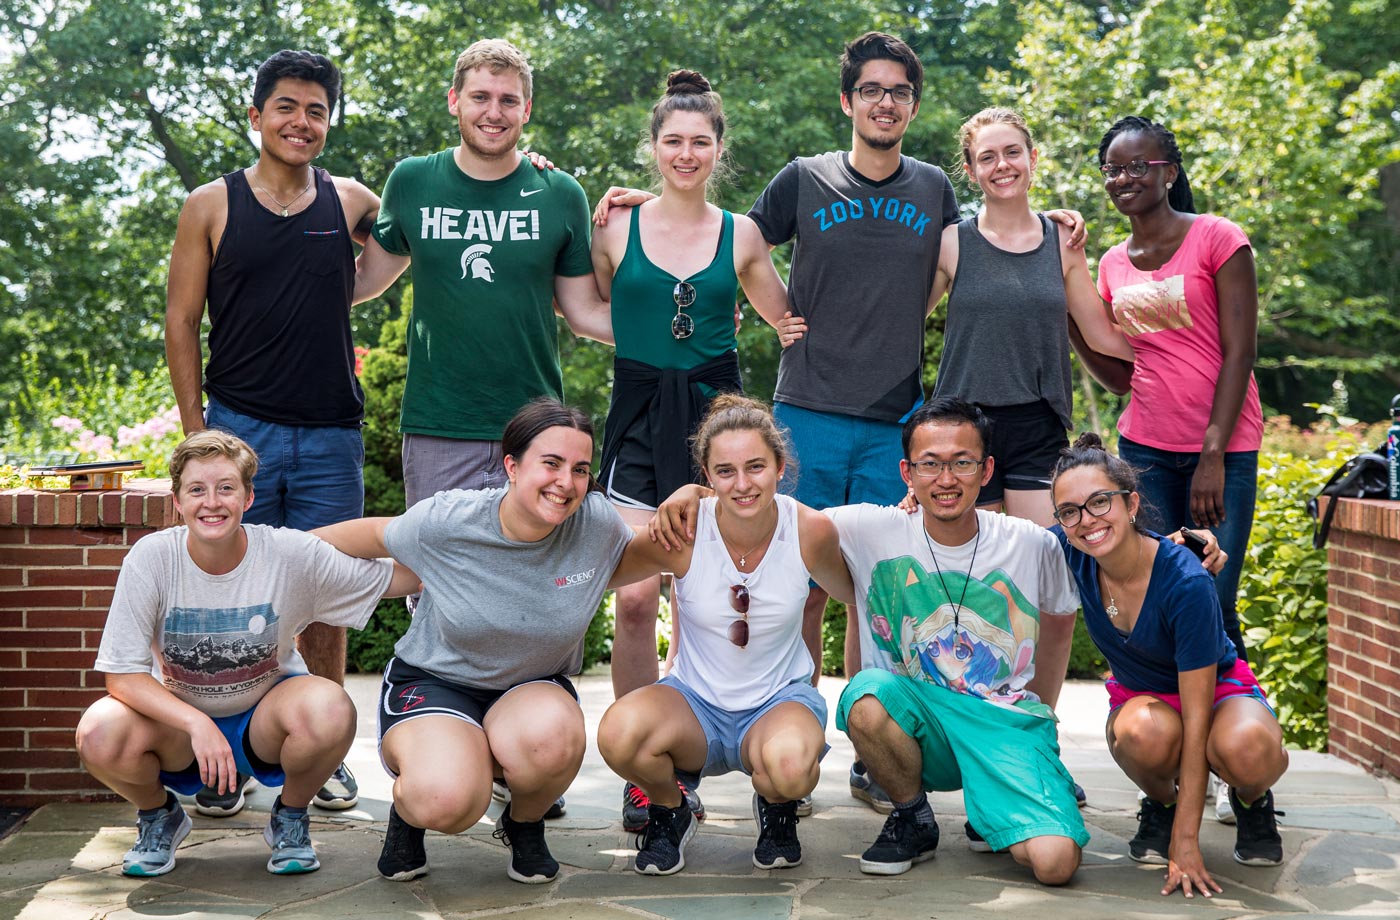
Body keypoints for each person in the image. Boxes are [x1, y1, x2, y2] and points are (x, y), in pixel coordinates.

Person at [597, 34, 1085, 814]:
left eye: (898, 91)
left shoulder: (932, 190)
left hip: (895, 414)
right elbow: (719, 236)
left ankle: (870, 753)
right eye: (870, 90)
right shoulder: (803, 180)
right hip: (806, 412)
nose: (884, 102)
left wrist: (1055, 227)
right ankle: (756, 737)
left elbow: (990, 245)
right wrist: (635, 205)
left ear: (913, 106)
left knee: (872, 595)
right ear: (848, 100)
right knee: (803, 590)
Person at [313, 398, 711, 884]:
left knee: (554, 739)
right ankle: (412, 811)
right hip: (438, 682)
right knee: (447, 797)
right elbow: (370, 535)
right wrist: (270, 547)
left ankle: (523, 823)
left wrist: (694, 493)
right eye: (551, 463)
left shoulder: (595, 525)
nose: (566, 482)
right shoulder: (450, 519)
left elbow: (665, 539)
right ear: (512, 466)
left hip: (531, 688)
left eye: (580, 469)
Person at [164, 49, 380, 815]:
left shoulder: (351, 200)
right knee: (221, 598)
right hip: (239, 428)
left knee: (323, 598)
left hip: (329, 435)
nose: (302, 122)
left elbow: (434, 224)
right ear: (257, 117)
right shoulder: (210, 205)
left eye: (317, 110)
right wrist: (201, 441)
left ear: (329, 123)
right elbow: (182, 323)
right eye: (287, 107)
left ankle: (322, 755)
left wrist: (522, 164)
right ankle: (218, 755)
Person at [591, 69, 796, 831]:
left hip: (718, 419)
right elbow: (580, 301)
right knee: (638, 596)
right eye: (672, 141)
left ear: (718, 149)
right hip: (639, 412)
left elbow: (785, 318)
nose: (685, 153)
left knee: (704, 594)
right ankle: (641, 766)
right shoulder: (612, 226)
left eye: (699, 141)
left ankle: (718, 749)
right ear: (653, 149)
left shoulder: (742, 233)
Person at [74, 430, 418, 878]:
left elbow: (395, 577)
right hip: (178, 727)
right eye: (196, 490)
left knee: (331, 709)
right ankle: (159, 816)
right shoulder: (152, 559)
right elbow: (121, 676)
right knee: (98, 733)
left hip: (266, 720)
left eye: (226, 488)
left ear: (249, 497)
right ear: (177, 502)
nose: (211, 502)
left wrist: (467, 553)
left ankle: (290, 816)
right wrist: (195, 723)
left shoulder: (286, 553)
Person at [824, 398, 1086, 884]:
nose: (946, 480)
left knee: (1054, 864)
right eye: (930, 464)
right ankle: (911, 815)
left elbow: (1063, 619)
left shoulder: (1030, 542)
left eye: (962, 463)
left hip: (1002, 724)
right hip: (923, 724)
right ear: (907, 471)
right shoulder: (869, 528)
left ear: (987, 469)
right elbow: (776, 516)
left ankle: (992, 805)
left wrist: (1038, 716)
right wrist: (695, 493)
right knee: (866, 696)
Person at [598, 395, 851, 874]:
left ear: (779, 467)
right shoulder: (683, 531)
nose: (743, 484)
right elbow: (601, 572)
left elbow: (857, 590)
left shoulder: (810, 531)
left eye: (756, 467)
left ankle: (776, 808)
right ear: (707, 476)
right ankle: (671, 809)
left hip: (777, 702)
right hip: (694, 705)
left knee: (793, 770)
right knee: (618, 734)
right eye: (726, 471)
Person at [1049, 434, 1287, 897]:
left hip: (1215, 692)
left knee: (1246, 749)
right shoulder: (1070, 548)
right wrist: (918, 502)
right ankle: (1160, 801)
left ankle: (1251, 799)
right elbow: (993, 536)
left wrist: (1187, 840)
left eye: (1100, 502)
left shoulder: (1186, 579)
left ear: (1132, 502)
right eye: (1070, 511)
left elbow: (1197, 720)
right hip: (1144, 698)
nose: (1087, 521)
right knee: (1141, 733)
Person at [927, 107, 1135, 527]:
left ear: (1032, 158)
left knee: (1040, 560)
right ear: (970, 170)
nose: (1002, 165)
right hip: (961, 426)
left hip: (1037, 424)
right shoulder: (950, 242)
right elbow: (898, 322)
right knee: (971, 570)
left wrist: (1185, 353)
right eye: (987, 157)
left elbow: (1100, 334)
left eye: (1012, 152)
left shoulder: (1062, 240)